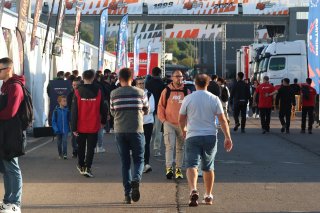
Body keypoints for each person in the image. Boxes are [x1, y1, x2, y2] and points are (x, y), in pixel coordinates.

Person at [178, 73, 233, 207]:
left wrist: (184, 130)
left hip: (192, 135)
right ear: (208, 84)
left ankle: (193, 190)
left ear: (195, 83)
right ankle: (208, 195)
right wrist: (227, 137)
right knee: (208, 167)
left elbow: (181, 119)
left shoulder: (188, 99)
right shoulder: (214, 99)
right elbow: (222, 120)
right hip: (210, 136)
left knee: (191, 165)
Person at [110, 68, 149, 204]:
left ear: (119, 79)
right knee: (139, 160)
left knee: (125, 163)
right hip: (137, 129)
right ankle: (136, 180)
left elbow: (112, 111)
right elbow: (146, 109)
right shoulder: (140, 92)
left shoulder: (113, 93)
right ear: (132, 79)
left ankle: (127, 195)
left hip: (120, 131)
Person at [71, 70, 108, 178]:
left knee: (81, 146)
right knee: (91, 147)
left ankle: (81, 164)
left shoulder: (77, 91)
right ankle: (87, 167)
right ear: (93, 78)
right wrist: (103, 122)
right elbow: (103, 108)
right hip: (94, 124)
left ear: (83, 78)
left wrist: (73, 127)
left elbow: (74, 111)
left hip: (80, 125)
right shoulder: (99, 91)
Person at [0, 57, 24, 213]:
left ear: (8, 69)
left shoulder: (15, 87)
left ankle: (15, 203)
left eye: (0, 69)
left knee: (13, 168)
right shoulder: (5, 86)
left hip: (12, 133)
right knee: (7, 168)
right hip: (5, 132)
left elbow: (10, 112)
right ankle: (8, 200)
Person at [158, 70, 190, 180]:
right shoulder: (166, 91)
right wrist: (163, 121)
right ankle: (169, 169)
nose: (179, 79)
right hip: (169, 123)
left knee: (180, 147)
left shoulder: (187, 91)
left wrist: (188, 122)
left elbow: (190, 108)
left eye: (181, 77)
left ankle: (178, 169)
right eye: (177, 77)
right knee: (169, 146)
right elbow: (160, 106)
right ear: (172, 78)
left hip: (182, 124)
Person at [145, 67, 166, 157]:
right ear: (159, 74)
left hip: (148, 109)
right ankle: (156, 149)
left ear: (152, 73)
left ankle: (146, 146)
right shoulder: (162, 84)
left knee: (147, 129)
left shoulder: (147, 83)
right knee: (158, 131)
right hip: (159, 110)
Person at [136, 77, 155, 173]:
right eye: (139, 83)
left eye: (142, 83)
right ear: (136, 85)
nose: (141, 85)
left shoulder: (149, 94)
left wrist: (139, 111)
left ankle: (146, 163)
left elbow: (151, 108)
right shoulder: (134, 94)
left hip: (148, 123)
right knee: (138, 144)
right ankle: (139, 163)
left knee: (146, 143)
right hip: (136, 123)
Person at [67, 79, 81, 158]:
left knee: (81, 135)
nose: (75, 86)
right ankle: (75, 150)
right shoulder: (70, 95)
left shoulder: (82, 94)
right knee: (73, 135)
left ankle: (80, 149)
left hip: (81, 118)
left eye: (77, 85)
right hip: (72, 118)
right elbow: (69, 107)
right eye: (74, 85)